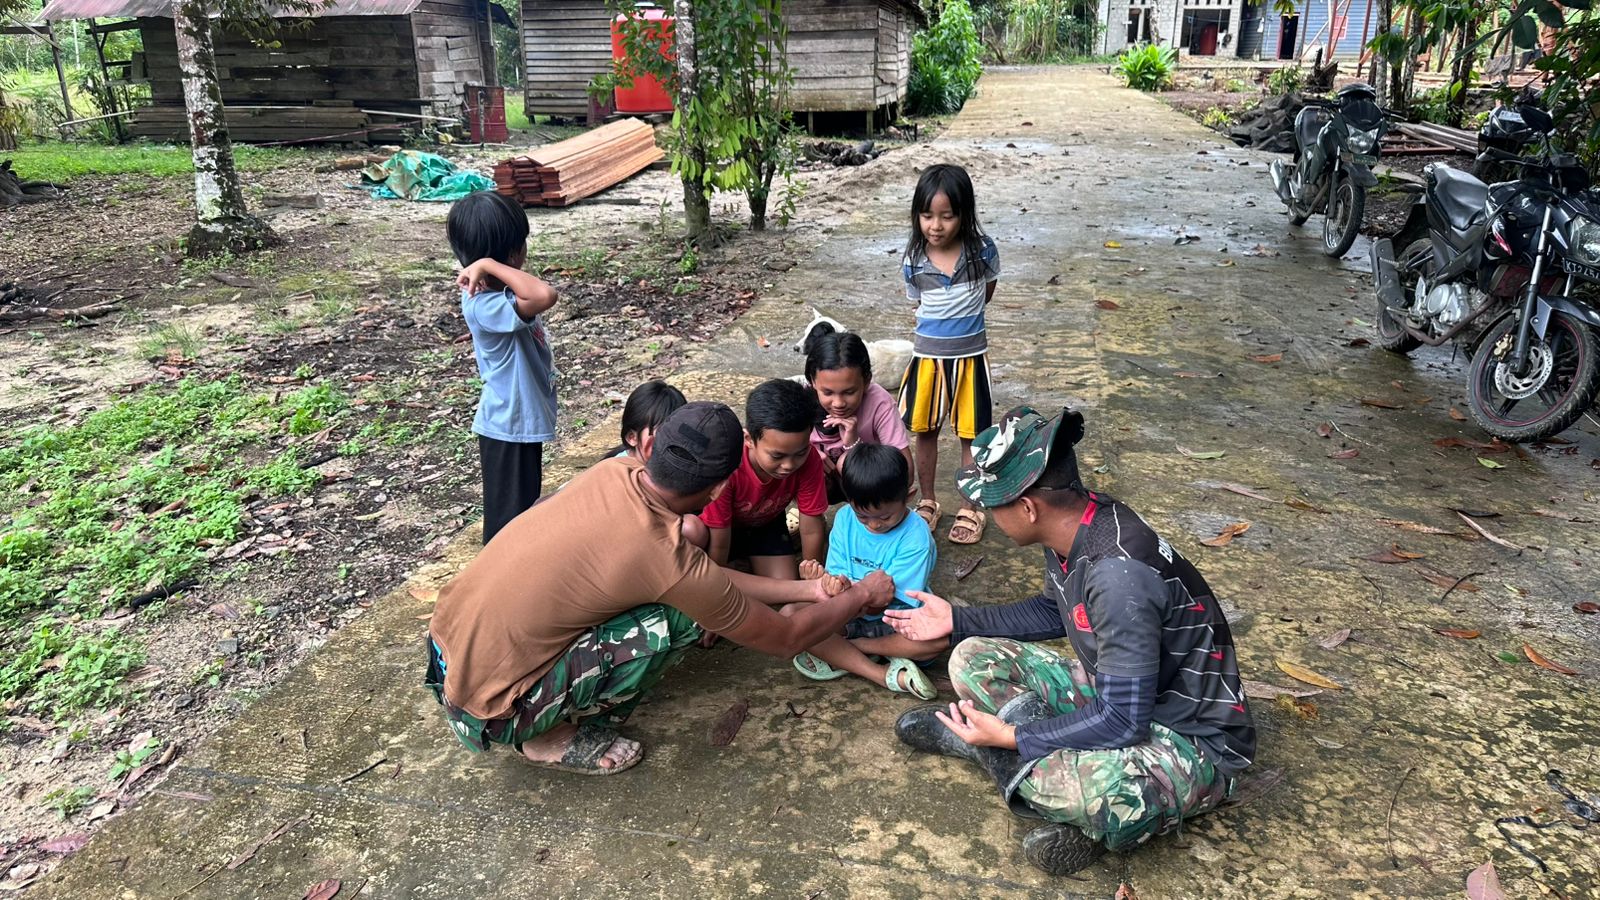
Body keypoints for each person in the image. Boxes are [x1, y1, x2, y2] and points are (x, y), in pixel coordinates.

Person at [425, 402, 896, 775]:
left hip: (444, 653)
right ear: (718, 489)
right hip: (493, 712)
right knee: (679, 617)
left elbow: (698, 575)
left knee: (674, 591)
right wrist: (861, 595)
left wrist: (805, 592)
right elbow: (785, 638)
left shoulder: (611, 473)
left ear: (651, 447)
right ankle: (545, 737)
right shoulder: (662, 556)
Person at [884, 406, 1256, 876]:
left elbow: (1124, 721)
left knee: (1104, 793)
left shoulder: (1118, 577)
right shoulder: (1078, 524)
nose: (989, 514)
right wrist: (957, 620)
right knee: (971, 657)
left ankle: (989, 751)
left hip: (1190, 739)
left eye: (992, 504)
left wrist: (1012, 736)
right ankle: (1026, 762)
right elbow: (1050, 610)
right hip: (1120, 692)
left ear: (1028, 508)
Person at [447, 190, 560, 546]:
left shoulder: (500, 297)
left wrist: (489, 265)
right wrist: (492, 265)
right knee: (507, 526)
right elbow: (545, 295)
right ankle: (500, 573)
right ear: (513, 253)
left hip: (517, 423)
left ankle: (514, 568)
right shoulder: (484, 305)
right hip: (508, 426)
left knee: (521, 514)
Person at [896, 163, 1000, 546]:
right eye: (926, 216)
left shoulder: (982, 252)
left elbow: (987, 292)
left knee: (971, 436)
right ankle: (928, 500)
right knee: (924, 431)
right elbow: (918, 302)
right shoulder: (913, 260)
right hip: (927, 360)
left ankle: (970, 506)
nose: (935, 226)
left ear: (964, 214)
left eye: (947, 216)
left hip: (971, 359)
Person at [789, 443, 941, 698]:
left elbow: (890, 600)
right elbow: (837, 576)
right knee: (792, 614)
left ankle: (854, 649)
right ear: (849, 501)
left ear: (909, 496)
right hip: (850, 613)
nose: (874, 525)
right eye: (862, 516)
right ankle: (878, 668)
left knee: (938, 638)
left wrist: (847, 597)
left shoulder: (917, 536)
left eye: (885, 517)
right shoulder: (844, 518)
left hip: (895, 620)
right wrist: (824, 583)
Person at [702, 379, 828, 579]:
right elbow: (719, 538)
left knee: (785, 584)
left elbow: (812, 525)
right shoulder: (728, 466)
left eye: (800, 453)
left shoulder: (810, 460)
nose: (789, 465)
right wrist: (718, 580)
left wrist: (813, 575)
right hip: (719, 529)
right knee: (710, 560)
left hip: (765, 524)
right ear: (749, 440)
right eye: (777, 456)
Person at [804, 330, 912, 505]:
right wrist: (807, 454)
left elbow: (906, 473)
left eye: (849, 392)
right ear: (813, 382)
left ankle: (865, 513)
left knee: (845, 461)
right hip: (822, 482)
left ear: (866, 381)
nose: (838, 403)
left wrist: (854, 446)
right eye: (828, 393)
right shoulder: (800, 398)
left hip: (867, 487)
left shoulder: (880, 402)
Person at [607, 380, 686, 460]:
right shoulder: (615, 467)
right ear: (632, 437)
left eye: (678, 436)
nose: (673, 445)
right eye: (661, 437)